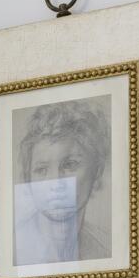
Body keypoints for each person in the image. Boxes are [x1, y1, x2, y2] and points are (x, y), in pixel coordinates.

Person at [12, 96, 113, 266]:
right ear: (28, 179)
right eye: (42, 170)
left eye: (69, 165)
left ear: (97, 172)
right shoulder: (10, 251)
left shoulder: (107, 248)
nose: (55, 183)